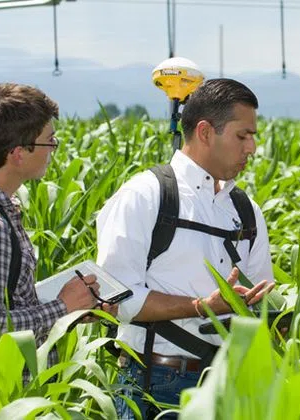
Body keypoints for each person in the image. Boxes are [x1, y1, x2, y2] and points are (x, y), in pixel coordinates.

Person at [96, 78, 275, 419]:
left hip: (227, 382)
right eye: (243, 136)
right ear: (206, 132)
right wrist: (199, 306)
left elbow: (259, 293)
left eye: (253, 136)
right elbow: (114, 298)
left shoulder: (245, 209)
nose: (251, 148)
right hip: (156, 381)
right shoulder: (146, 195)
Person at [0, 83, 112, 378]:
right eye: (49, 141)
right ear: (18, 154)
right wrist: (62, 307)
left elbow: (4, 304)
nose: (53, 149)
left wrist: (73, 307)